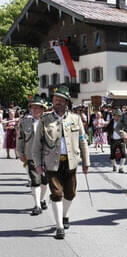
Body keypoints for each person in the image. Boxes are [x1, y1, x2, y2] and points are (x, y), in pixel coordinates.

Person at [32, 86, 90, 239]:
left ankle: (65, 215)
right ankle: (59, 227)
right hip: (52, 163)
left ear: (66, 102)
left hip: (70, 162)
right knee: (56, 194)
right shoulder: (45, 120)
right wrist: (38, 164)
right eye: (55, 99)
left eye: (60, 100)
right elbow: (36, 145)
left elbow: (83, 141)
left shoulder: (75, 118)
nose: (56, 102)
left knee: (70, 194)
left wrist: (86, 161)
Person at [16, 96, 49, 215]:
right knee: (35, 180)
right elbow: (20, 139)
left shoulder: (48, 122)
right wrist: (20, 153)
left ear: (43, 109)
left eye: (38, 108)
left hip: (46, 156)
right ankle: (37, 205)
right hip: (30, 155)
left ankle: (42, 199)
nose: (35, 110)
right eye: (33, 108)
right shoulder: (24, 122)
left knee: (45, 181)